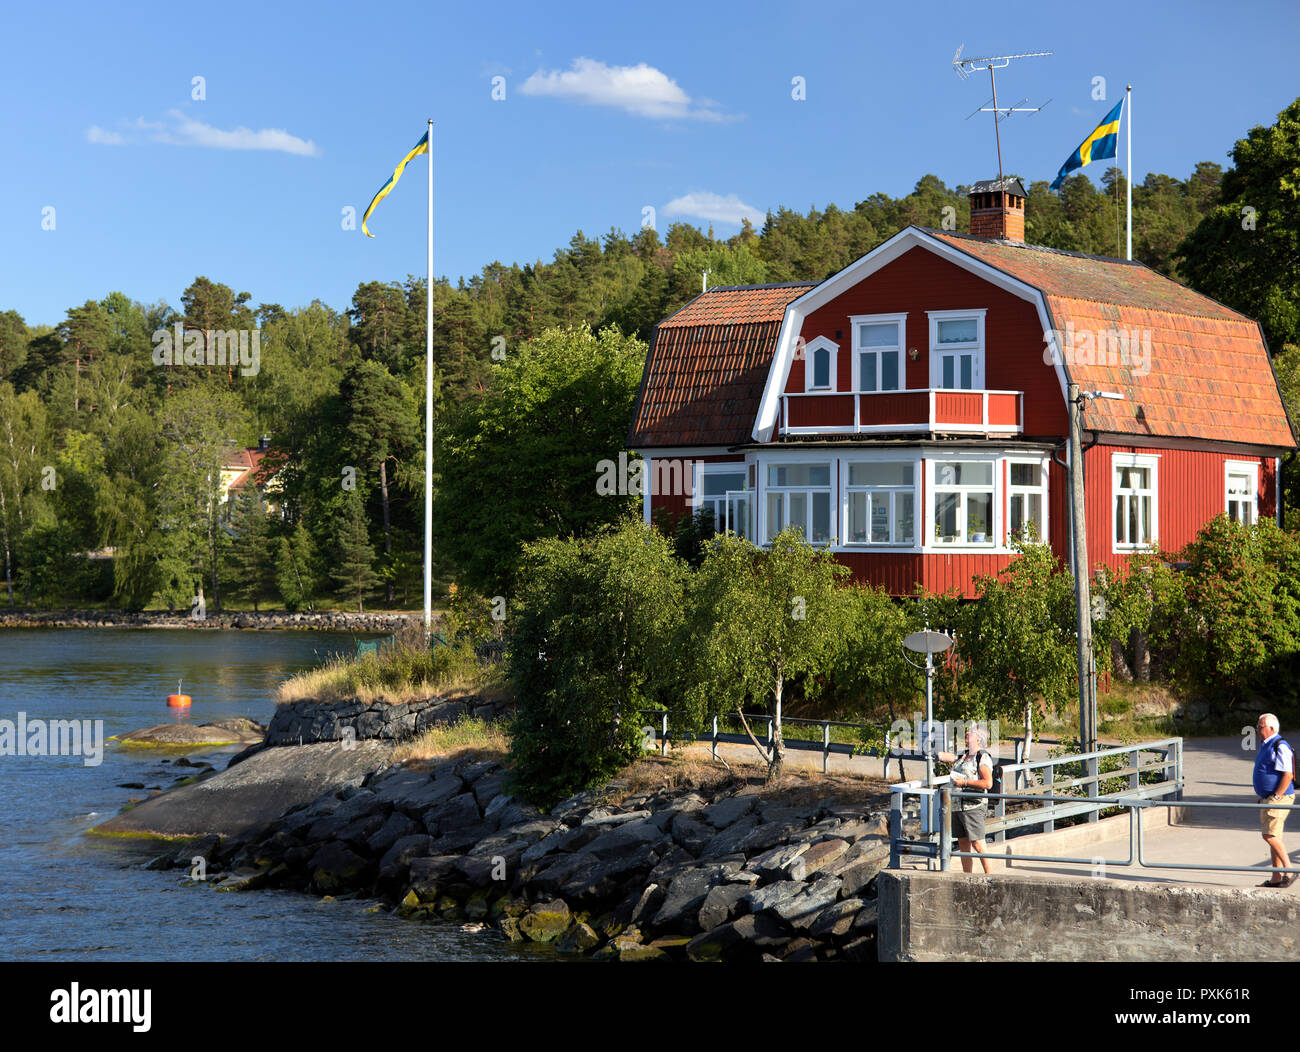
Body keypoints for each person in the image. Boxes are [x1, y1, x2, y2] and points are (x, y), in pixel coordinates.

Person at [938, 724, 994, 874]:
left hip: (973, 806)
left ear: (979, 738)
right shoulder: (963, 755)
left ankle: (990, 877)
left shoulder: (982, 757)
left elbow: (988, 783)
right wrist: (936, 754)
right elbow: (950, 757)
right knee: (963, 843)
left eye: (971, 732)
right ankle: (967, 876)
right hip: (957, 806)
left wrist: (965, 783)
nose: (967, 733)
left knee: (978, 843)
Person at [1254, 713, 1295, 888]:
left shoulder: (1280, 745)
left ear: (1271, 729)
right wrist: (1264, 795)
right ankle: (1276, 878)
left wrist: (1276, 796)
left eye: (1260, 726)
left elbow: (1288, 774)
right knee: (1274, 836)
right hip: (1268, 798)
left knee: (1269, 835)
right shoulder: (1266, 745)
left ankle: (1290, 871)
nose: (1257, 729)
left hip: (1280, 798)